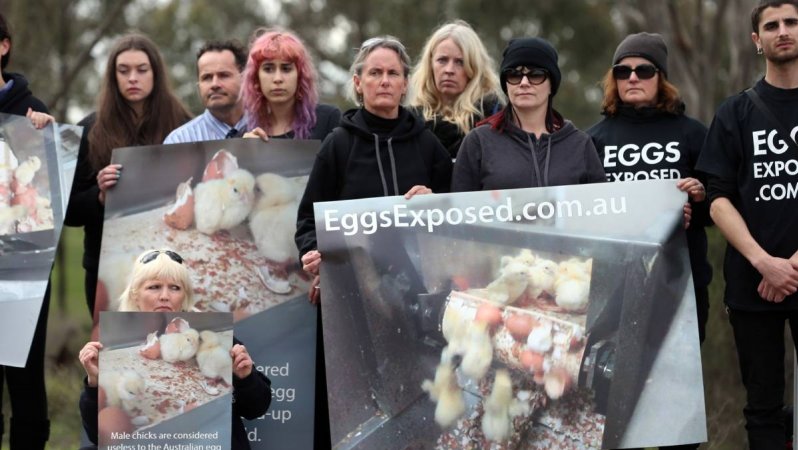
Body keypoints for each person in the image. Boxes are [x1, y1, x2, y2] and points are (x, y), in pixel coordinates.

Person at [294, 35, 451, 448]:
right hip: (353, 305)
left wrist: (440, 201)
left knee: (425, 409)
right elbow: (308, 220)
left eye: (393, 73)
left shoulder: (428, 144)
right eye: (375, 73)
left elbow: (459, 215)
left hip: (424, 303)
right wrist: (313, 254)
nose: (384, 80)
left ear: (405, 84)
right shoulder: (338, 145)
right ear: (358, 83)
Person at [696, 1, 798, 448]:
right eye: (771, 26)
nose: (783, 31)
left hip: (790, 271)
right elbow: (717, 198)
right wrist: (765, 263)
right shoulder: (735, 112)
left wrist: (793, 266)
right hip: (753, 284)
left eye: (792, 22)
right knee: (762, 408)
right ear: (757, 41)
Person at [586, 32, 711, 351]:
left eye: (643, 70)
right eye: (622, 71)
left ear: (661, 77)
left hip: (680, 282)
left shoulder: (693, 133)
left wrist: (698, 198)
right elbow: (582, 212)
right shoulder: (593, 139)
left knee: (674, 380)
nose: (632, 77)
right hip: (612, 285)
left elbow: (720, 205)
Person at [77, 249, 271, 450]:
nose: (164, 296)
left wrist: (246, 378)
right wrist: (94, 384)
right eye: (154, 287)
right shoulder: (110, 347)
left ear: (184, 295)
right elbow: (97, 436)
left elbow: (256, 408)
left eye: (175, 288)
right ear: (135, 294)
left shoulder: (208, 340)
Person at [64, 33, 191, 320]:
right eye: (124, 71)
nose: (132, 78)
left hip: (171, 265)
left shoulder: (183, 124)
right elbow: (69, 212)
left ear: (155, 74)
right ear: (113, 76)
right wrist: (99, 196)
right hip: (106, 265)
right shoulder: (89, 129)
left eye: (141, 70)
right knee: (111, 356)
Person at [452, 37, 605, 192]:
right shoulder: (478, 142)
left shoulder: (580, 144)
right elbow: (460, 211)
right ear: (506, 84)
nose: (524, 82)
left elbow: (601, 208)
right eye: (514, 75)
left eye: (536, 75)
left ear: (552, 85)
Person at [0, 12, 52, 450]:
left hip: (23, 269)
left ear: (3, 46)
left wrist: (51, 144)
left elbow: (57, 199)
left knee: (25, 383)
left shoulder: (35, 116)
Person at [408, 20, 503, 159]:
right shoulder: (410, 121)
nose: (449, 70)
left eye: (460, 62)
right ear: (430, 64)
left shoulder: (494, 119)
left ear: (475, 68)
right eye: (442, 60)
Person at [241, 28, 340, 140]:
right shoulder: (247, 134)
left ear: (300, 75)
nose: (277, 79)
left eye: (286, 69)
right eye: (268, 69)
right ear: (255, 77)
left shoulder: (328, 120)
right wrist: (246, 152)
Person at [164, 40, 248, 144]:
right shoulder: (179, 141)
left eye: (224, 75)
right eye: (207, 77)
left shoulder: (269, 129)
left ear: (245, 78)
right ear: (198, 85)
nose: (215, 84)